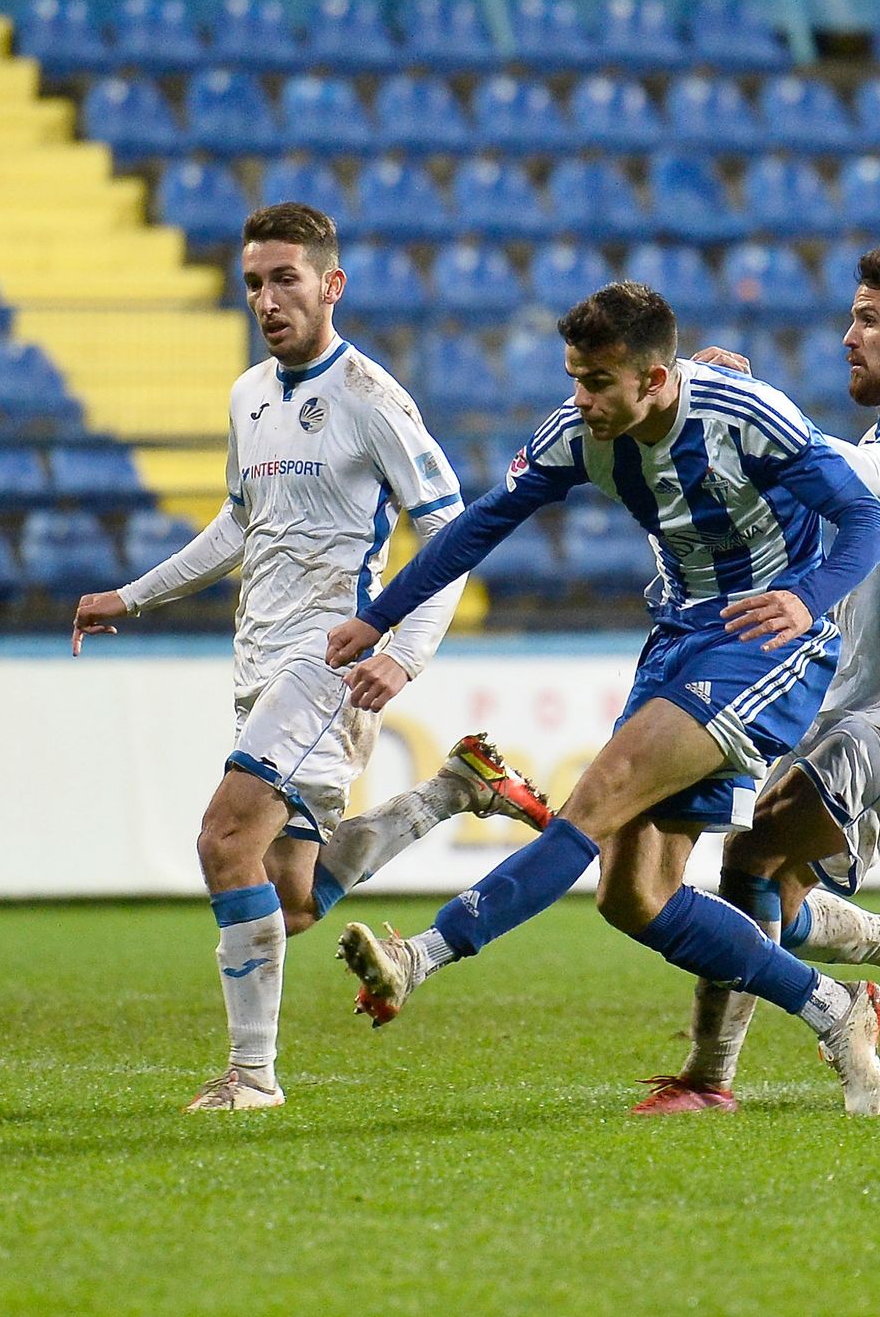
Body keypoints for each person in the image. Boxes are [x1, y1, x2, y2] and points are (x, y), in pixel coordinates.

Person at [330, 280, 880, 1115]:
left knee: (591, 803)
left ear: (656, 380)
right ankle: (835, 1006)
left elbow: (870, 522)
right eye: (575, 377)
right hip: (676, 636)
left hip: (770, 638)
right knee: (632, 895)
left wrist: (807, 597)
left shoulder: (745, 415)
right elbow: (482, 523)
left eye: (599, 382)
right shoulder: (577, 433)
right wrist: (378, 616)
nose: (581, 399)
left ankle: (421, 955)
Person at [71, 202, 551, 1113]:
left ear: (332, 285)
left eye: (284, 278)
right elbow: (237, 525)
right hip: (259, 666)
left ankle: (251, 1078)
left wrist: (401, 651)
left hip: (329, 662)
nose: (266, 297)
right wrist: (130, 595)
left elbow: (451, 529)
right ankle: (455, 790)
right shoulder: (248, 395)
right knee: (288, 900)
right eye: (253, 281)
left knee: (223, 840)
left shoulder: (374, 398)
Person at [633, 248, 880, 1115]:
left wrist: (735, 409)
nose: (848, 336)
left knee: (748, 856)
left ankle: (710, 1080)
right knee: (776, 906)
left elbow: (854, 478)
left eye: (868, 319)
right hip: (861, 712)